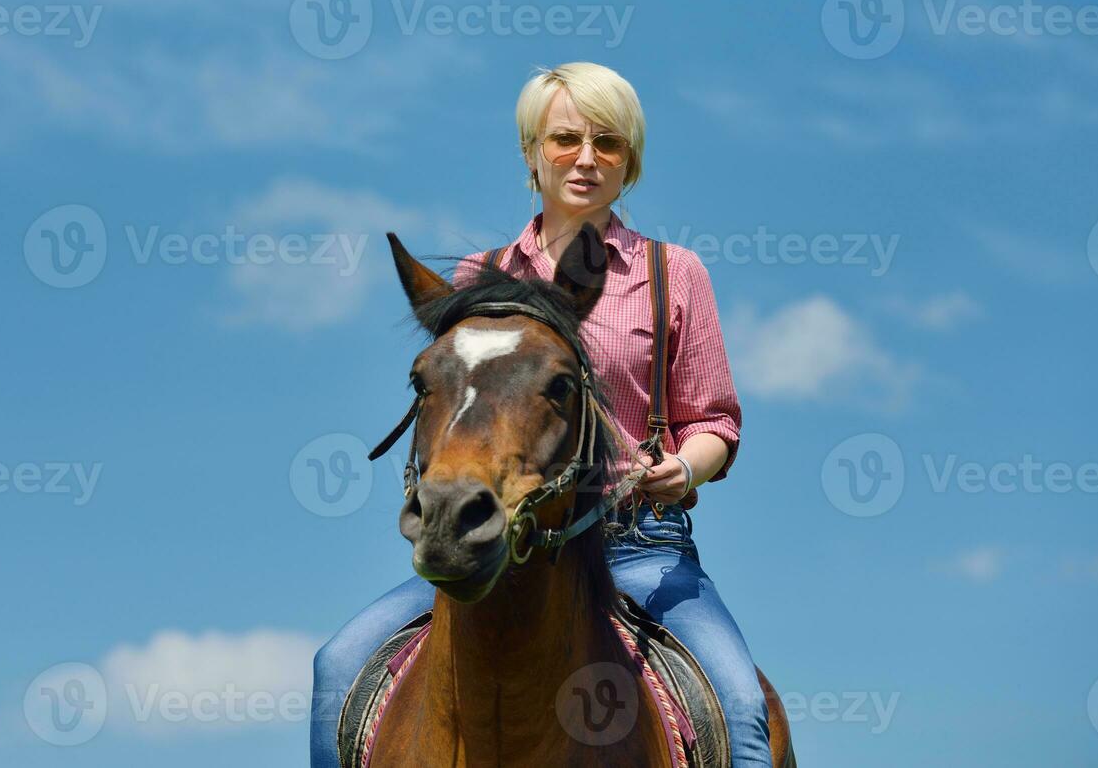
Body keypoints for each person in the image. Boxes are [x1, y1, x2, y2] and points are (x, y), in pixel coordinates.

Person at [309, 62, 772, 766]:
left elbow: (715, 423)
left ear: (630, 161)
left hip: (640, 546)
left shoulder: (671, 272)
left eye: (607, 142)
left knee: (740, 711)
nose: (585, 158)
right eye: (564, 139)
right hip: (501, 543)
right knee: (337, 664)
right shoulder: (478, 275)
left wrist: (679, 469)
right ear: (532, 153)